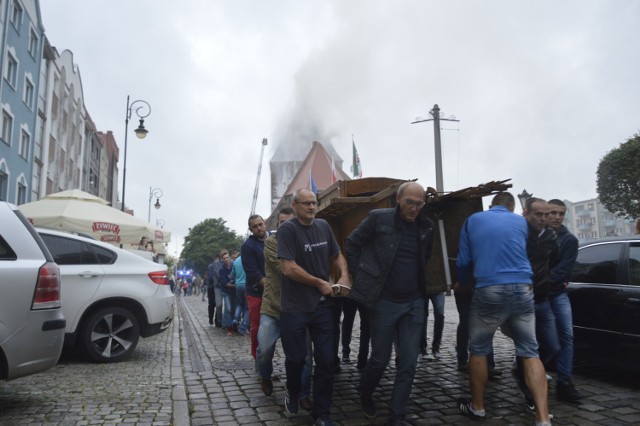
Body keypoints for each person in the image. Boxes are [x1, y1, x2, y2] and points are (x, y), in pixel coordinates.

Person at [456, 192, 551, 426]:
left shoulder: (474, 220)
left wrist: (463, 283)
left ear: (491, 205)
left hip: (489, 287)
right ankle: (542, 418)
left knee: (478, 349)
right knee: (530, 351)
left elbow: (463, 261)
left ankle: (477, 407)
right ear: (511, 207)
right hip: (522, 288)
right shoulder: (521, 222)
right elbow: (532, 254)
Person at [346, 181, 435, 424]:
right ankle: (365, 392)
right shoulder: (378, 219)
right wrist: (361, 275)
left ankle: (397, 415)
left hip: (414, 302)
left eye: (419, 204)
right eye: (410, 203)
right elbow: (352, 243)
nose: (414, 209)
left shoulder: (426, 226)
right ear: (398, 199)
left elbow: (425, 257)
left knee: (408, 362)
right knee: (379, 359)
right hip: (384, 301)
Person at [277, 188, 351, 426]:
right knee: (297, 359)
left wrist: (345, 275)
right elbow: (288, 267)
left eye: (314, 203)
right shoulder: (288, 230)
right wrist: (319, 282)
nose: (311, 207)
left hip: (323, 307)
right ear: (295, 206)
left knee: (327, 361)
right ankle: (294, 390)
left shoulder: (323, 226)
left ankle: (322, 414)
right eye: (306, 203)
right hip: (295, 307)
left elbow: (337, 255)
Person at [256, 207, 313, 411]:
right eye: (282, 223)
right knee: (264, 349)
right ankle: (265, 375)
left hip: (299, 308)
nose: (286, 226)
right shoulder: (272, 244)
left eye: (290, 222)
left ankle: (303, 394)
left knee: (306, 356)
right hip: (273, 307)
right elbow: (287, 269)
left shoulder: (305, 241)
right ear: (277, 225)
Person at [512, 197, 560, 411]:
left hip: (543, 299)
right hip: (523, 300)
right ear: (526, 213)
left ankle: (521, 368)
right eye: (538, 214)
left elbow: (555, 260)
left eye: (546, 214)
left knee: (552, 346)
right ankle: (528, 390)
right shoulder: (519, 234)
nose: (543, 218)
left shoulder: (550, 236)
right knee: (528, 350)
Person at [547, 198, 582, 404]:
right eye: (553, 212)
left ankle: (565, 382)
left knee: (566, 336)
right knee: (540, 340)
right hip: (538, 295)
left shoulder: (568, 240)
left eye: (561, 213)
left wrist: (540, 280)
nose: (557, 217)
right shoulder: (535, 235)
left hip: (557, 294)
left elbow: (563, 271)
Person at [241, 214, 268, 360]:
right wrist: (271, 287)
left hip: (276, 291)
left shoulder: (275, 240)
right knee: (256, 325)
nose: (259, 228)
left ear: (265, 223)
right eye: (255, 226)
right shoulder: (248, 246)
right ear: (250, 229)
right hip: (256, 292)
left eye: (260, 224)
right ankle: (256, 355)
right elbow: (253, 273)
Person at [419, 280, 446, 361]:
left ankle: (436, 347)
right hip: (423, 286)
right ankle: (422, 349)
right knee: (422, 316)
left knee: (439, 314)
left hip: (438, 286)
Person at [218, 253, 236, 336]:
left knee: (234, 309)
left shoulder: (234, 265)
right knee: (228, 308)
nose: (226, 259)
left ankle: (234, 324)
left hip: (234, 292)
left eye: (227, 257)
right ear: (222, 260)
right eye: (224, 258)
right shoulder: (222, 270)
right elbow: (225, 283)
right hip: (226, 292)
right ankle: (229, 327)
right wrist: (236, 285)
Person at [231, 255, 249, 336]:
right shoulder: (248, 258)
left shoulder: (236, 261)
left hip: (238, 285)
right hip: (246, 285)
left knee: (239, 304)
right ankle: (243, 328)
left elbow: (233, 274)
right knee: (247, 308)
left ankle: (235, 320)